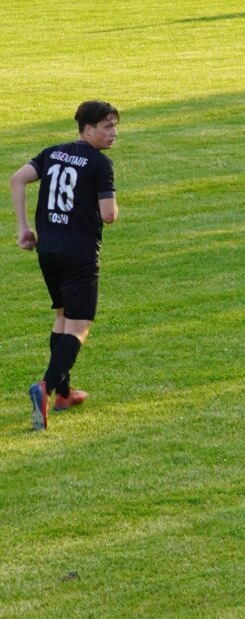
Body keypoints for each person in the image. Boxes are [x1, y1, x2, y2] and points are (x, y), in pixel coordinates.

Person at [10, 101, 120, 431]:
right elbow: (108, 215)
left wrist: (23, 228)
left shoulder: (52, 152)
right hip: (80, 254)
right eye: (107, 127)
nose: (114, 133)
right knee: (79, 328)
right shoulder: (100, 163)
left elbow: (17, 180)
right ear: (88, 129)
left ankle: (64, 394)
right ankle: (44, 388)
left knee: (61, 317)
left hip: (49, 251)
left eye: (115, 126)